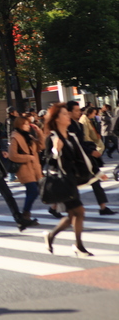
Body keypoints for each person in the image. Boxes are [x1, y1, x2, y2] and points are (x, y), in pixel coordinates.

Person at [43, 103, 102, 257]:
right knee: (79, 212)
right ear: (56, 119)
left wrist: (96, 172)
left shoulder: (72, 136)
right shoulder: (52, 138)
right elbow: (49, 162)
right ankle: (78, 246)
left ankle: (51, 236)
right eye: (63, 114)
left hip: (71, 180)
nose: (67, 116)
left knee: (73, 216)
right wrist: (56, 150)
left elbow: (81, 158)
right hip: (61, 182)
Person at [67, 101, 116, 215]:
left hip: (82, 157)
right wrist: (90, 151)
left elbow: (80, 142)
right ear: (69, 112)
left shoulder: (78, 124)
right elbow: (75, 144)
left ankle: (103, 207)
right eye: (76, 110)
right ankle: (57, 208)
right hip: (74, 160)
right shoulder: (68, 126)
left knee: (94, 180)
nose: (79, 112)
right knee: (70, 185)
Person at [9, 116, 44, 224]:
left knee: (33, 191)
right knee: (33, 191)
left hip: (34, 168)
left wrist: (39, 132)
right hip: (24, 168)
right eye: (25, 124)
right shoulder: (15, 137)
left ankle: (26, 215)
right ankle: (25, 214)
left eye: (28, 124)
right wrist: (28, 157)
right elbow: (12, 155)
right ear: (19, 125)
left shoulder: (29, 136)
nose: (28, 126)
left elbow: (41, 146)